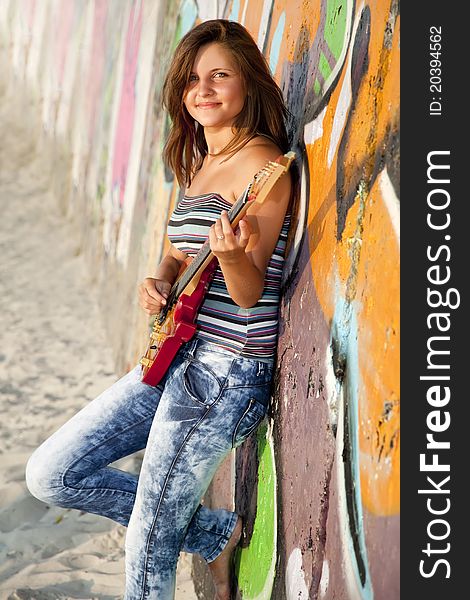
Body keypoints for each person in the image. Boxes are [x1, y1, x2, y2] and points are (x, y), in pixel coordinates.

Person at [25, 19, 292, 600]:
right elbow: (176, 250)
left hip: (227, 368)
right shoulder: (201, 161)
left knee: (148, 540)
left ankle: (190, 535)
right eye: (193, 79)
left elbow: (248, 292)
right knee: (51, 473)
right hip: (177, 350)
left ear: (247, 80)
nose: (205, 89)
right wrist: (159, 279)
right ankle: (213, 534)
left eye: (220, 75)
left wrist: (233, 257)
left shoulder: (263, 167)